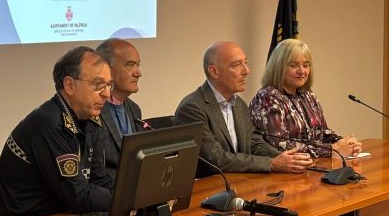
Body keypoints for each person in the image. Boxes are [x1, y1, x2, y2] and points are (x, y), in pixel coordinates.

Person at [0, 46, 114, 216]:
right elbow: (78, 198)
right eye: (98, 84)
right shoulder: (50, 125)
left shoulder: (89, 119)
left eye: (109, 85)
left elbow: (98, 179)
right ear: (70, 86)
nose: (107, 94)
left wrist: (134, 195)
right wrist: (123, 200)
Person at [175, 41, 314, 174]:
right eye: (236, 65)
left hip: (240, 181)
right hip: (210, 186)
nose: (246, 71)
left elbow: (253, 142)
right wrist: (272, 163)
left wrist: (286, 159)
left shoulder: (239, 104)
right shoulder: (192, 108)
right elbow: (216, 159)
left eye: (245, 63)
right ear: (214, 71)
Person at [250, 39, 362, 158]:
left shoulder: (308, 95)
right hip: (283, 167)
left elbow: (322, 133)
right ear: (278, 67)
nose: (301, 71)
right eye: (293, 65)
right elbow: (281, 145)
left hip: (312, 164)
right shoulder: (267, 97)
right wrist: (332, 150)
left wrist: (345, 144)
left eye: (306, 65)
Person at [95, 39, 145, 185]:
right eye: (130, 65)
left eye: (138, 65)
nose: (138, 73)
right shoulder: (92, 110)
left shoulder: (134, 109)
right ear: (107, 70)